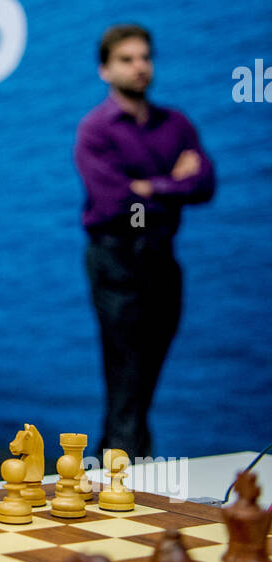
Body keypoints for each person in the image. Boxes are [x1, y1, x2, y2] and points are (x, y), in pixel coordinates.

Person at [74, 23, 215, 461]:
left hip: (162, 259)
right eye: (126, 59)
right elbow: (115, 202)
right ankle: (125, 470)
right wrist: (172, 181)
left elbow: (205, 184)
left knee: (144, 376)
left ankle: (119, 462)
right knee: (125, 374)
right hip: (116, 261)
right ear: (104, 70)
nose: (139, 67)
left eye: (145, 57)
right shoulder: (95, 129)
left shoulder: (176, 124)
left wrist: (150, 188)